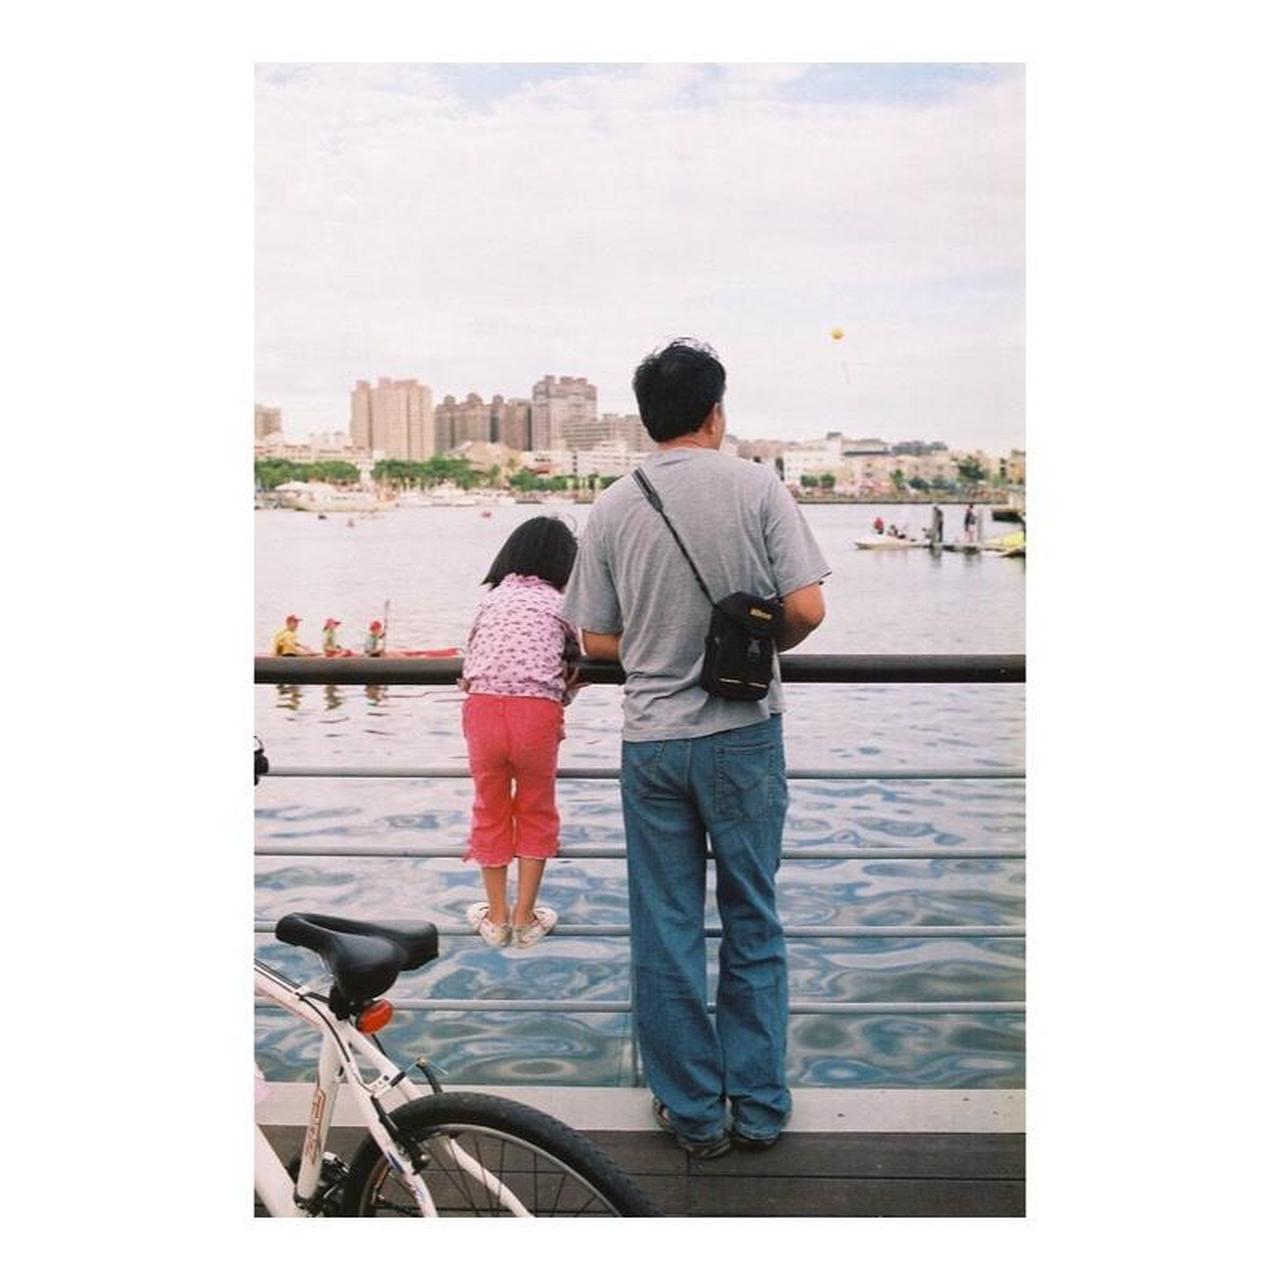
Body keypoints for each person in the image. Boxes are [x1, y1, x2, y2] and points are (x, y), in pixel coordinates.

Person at [562, 338, 829, 1159]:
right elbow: (807, 610)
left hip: (651, 743)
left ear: (649, 419)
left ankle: (693, 1113)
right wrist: (754, 645)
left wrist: (658, 644)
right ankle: (758, 1106)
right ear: (716, 412)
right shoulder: (757, 485)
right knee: (752, 918)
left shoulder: (613, 505)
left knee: (665, 927)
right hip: (742, 736)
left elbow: (594, 639)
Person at [460, 516, 581, 949]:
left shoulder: (491, 602)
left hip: (483, 710)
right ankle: (525, 917)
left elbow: (470, 663)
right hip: (535, 715)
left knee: (488, 808)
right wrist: (567, 692)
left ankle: (495, 918)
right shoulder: (562, 605)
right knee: (536, 808)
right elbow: (570, 664)